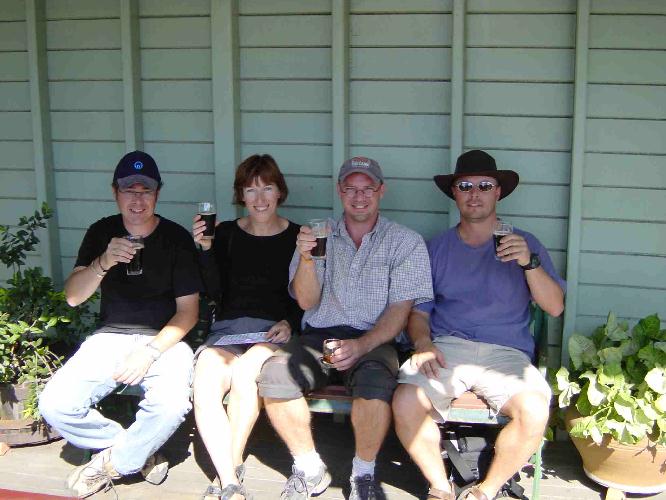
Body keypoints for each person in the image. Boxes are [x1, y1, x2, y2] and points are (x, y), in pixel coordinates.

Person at [392, 150, 566, 500]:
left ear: (498, 192)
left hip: (506, 353)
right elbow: (419, 313)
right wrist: (423, 344)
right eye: (465, 186)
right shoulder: (436, 248)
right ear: (454, 193)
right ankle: (440, 487)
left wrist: (529, 263)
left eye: (485, 186)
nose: (475, 194)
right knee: (405, 400)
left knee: (534, 410)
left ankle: (485, 491)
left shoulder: (525, 243)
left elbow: (555, 307)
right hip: (448, 348)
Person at [256, 157, 433, 500]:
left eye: (367, 188)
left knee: (375, 383)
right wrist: (306, 259)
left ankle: (363, 474)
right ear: (340, 191)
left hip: (375, 339)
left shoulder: (404, 241)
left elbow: (400, 311)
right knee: (275, 375)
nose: (359, 196)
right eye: (351, 188)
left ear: (381, 191)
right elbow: (306, 301)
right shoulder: (316, 235)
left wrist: (362, 346)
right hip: (319, 335)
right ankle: (309, 467)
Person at [39, 151, 202, 499]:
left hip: (165, 341)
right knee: (54, 404)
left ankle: (110, 464)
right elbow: (73, 297)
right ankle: (138, 451)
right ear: (115, 192)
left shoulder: (175, 238)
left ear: (157, 194)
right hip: (109, 338)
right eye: (129, 190)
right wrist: (102, 262)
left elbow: (188, 312)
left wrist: (149, 352)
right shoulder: (102, 232)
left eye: (146, 191)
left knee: (172, 405)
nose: (137, 199)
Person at [192, 154, 302, 500]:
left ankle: (230, 469)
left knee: (245, 374)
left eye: (267, 188)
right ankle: (230, 480)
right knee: (205, 378)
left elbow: (308, 295)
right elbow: (213, 292)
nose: (259, 198)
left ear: (279, 191)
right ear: (241, 195)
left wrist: (291, 322)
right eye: (250, 190)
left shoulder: (297, 236)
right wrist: (205, 250)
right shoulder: (225, 233)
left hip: (272, 333)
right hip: (226, 332)